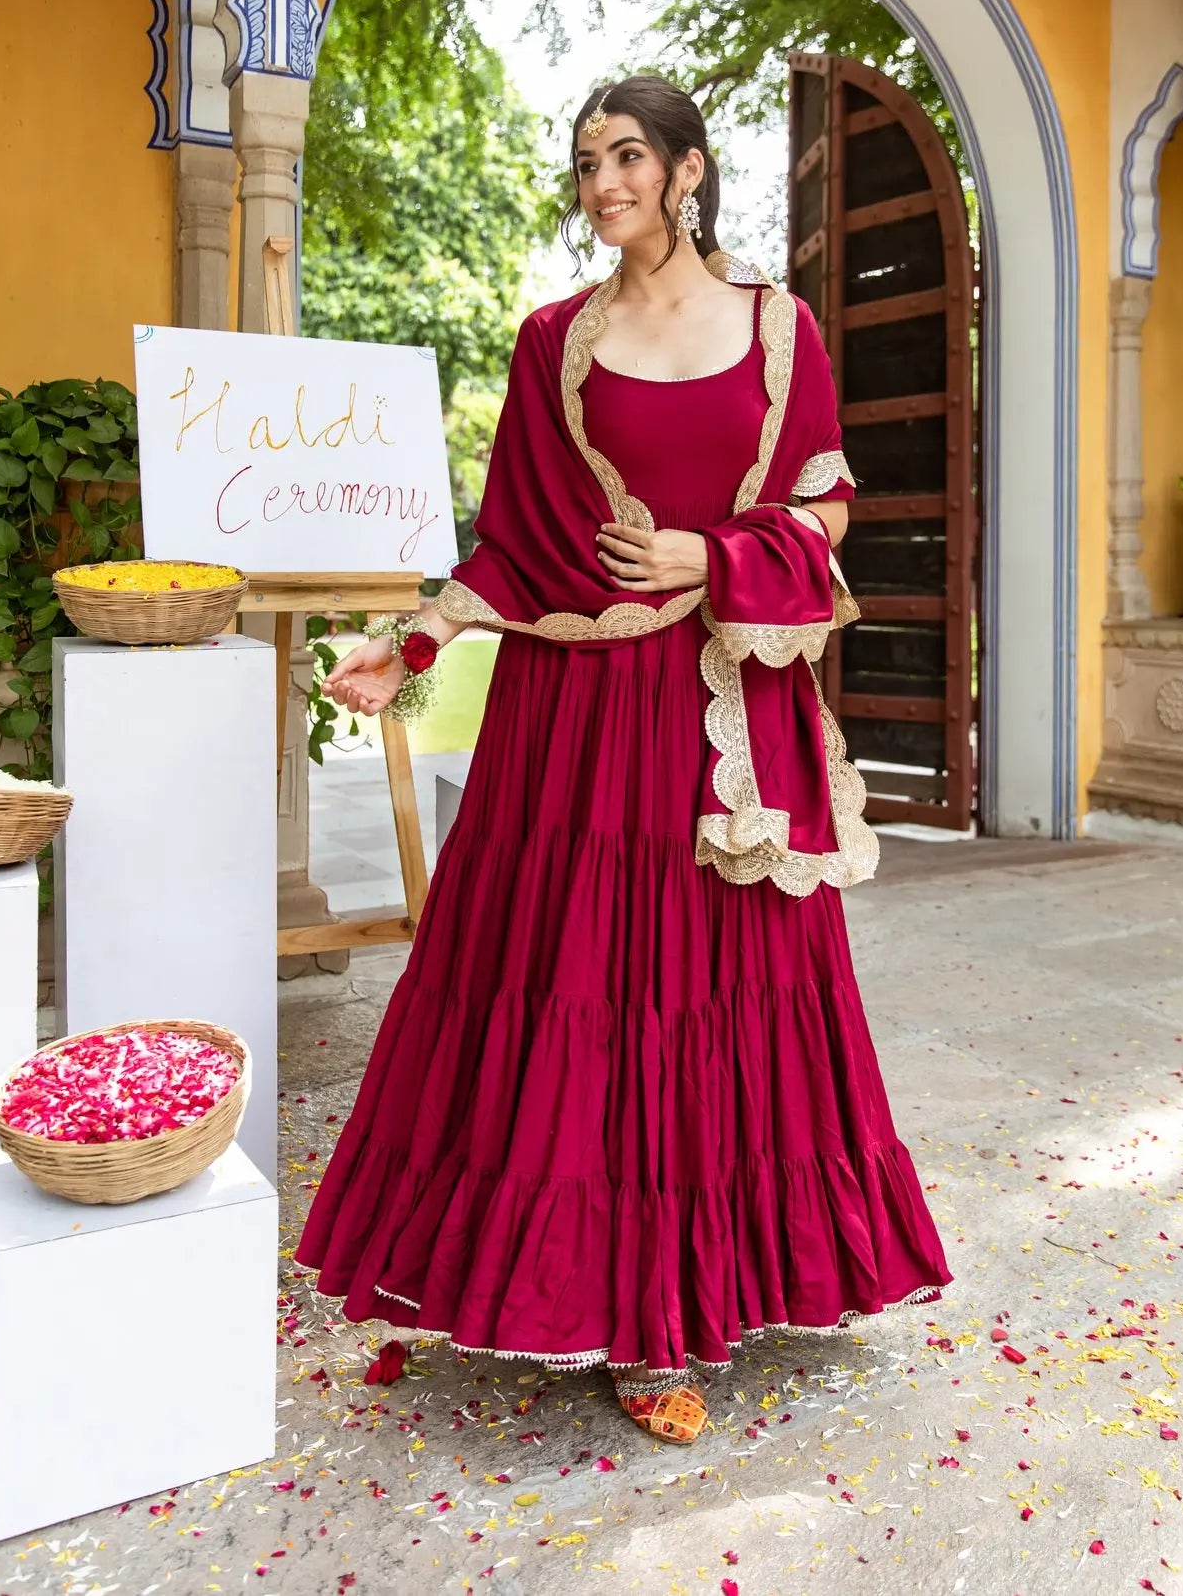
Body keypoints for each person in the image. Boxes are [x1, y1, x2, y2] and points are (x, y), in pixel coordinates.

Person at [296, 76, 950, 1443]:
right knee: (576, 987)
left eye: (630, 156)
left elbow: (826, 505)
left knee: (712, 989)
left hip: (717, 713)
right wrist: (410, 646)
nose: (604, 184)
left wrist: (712, 555)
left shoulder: (779, 331)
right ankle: (571, 1296)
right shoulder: (556, 343)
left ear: (689, 170)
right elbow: (513, 541)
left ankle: (688, 1307)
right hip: (577, 719)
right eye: (588, 161)